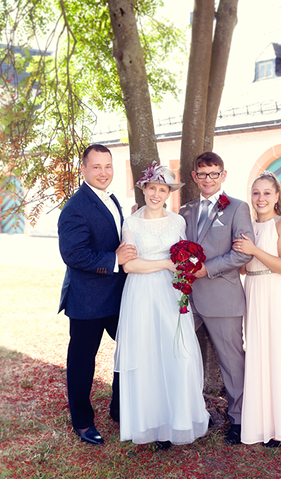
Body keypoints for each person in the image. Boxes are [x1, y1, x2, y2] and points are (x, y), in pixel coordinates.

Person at [113, 162, 209, 449]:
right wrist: (166, 263)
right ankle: (148, 423)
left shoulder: (178, 221)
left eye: (162, 189)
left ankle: (176, 421)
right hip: (141, 294)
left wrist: (185, 265)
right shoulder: (130, 223)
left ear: (169, 193)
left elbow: (186, 258)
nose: (156, 194)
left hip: (170, 293)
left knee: (176, 352)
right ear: (143, 189)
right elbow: (130, 265)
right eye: (151, 188)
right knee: (147, 353)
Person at [58, 144, 137, 445]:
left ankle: (119, 407)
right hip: (87, 299)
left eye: (108, 166)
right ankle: (82, 421)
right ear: (83, 169)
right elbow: (73, 254)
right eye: (96, 167)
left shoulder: (111, 198)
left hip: (117, 296)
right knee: (82, 361)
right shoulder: (75, 207)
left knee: (129, 349)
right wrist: (113, 259)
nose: (103, 172)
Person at [179, 152, 254, 445]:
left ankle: (238, 419)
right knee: (177, 354)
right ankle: (183, 413)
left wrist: (207, 268)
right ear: (194, 177)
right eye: (202, 174)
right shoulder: (185, 210)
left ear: (223, 175)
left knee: (232, 362)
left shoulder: (237, 208)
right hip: (186, 298)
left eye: (214, 174)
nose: (208, 179)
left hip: (223, 297)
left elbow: (243, 252)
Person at [233, 170, 281, 447]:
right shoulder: (248, 226)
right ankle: (260, 422)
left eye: (267, 193)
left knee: (277, 354)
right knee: (258, 355)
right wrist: (241, 253)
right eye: (256, 193)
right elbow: (243, 268)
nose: (261, 198)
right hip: (253, 292)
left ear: (277, 196)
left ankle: (280, 426)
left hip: (275, 293)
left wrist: (254, 250)